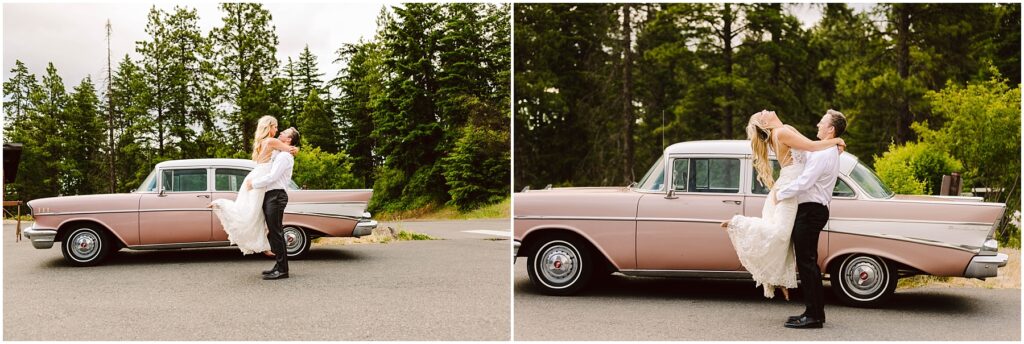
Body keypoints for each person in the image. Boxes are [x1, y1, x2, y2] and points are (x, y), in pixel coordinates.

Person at [720, 110, 844, 300]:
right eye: (762, 113)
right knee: (780, 234)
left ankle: (777, 279)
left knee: (785, 239)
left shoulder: (786, 129)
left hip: (790, 188)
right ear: (765, 121)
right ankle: (739, 223)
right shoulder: (780, 133)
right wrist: (836, 141)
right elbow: (812, 146)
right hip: (787, 189)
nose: (766, 110)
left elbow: (811, 151)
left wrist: (834, 143)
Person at [780, 110, 846, 329]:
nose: (817, 124)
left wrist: (779, 194)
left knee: (807, 263)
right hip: (811, 210)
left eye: (822, 122)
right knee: (808, 263)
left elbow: (806, 181)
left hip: (811, 210)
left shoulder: (826, 153)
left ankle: (814, 316)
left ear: (831, 130)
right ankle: (814, 312)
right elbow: (804, 156)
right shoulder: (824, 150)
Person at [209, 116, 297, 257]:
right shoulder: (272, 141)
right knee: (254, 213)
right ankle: (223, 205)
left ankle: (264, 245)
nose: (277, 129)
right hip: (261, 177)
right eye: (275, 127)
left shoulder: (262, 142)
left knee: (255, 212)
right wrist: (294, 149)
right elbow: (292, 149)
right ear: (269, 127)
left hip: (256, 175)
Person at [245, 127, 300, 280]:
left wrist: (253, 184)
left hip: (276, 196)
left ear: (289, 139)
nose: (280, 133)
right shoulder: (280, 153)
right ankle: (278, 265)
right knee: (274, 232)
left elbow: (272, 176)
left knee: (276, 232)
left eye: (284, 133)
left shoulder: (284, 157)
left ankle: (283, 270)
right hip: (272, 196)